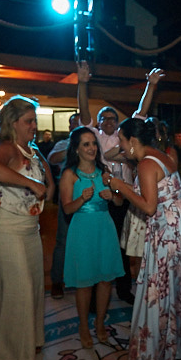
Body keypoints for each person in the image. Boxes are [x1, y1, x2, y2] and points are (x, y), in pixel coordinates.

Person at [107, 117, 181, 360]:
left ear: (133, 141)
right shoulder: (163, 155)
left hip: (168, 232)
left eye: (121, 140)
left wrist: (119, 186)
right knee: (180, 287)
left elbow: (148, 206)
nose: (120, 145)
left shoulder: (145, 164)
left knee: (159, 287)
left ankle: (160, 348)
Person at [0, 96, 54, 360]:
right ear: (13, 123)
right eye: (29, 121)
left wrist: (44, 181)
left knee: (30, 286)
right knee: (17, 288)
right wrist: (31, 184)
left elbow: (47, 183)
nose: (34, 125)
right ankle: (12, 352)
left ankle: (17, 340)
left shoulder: (32, 149)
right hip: (3, 226)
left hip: (28, 227)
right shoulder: (7, 147)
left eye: (34, 120)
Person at [59, 127, 124, 348]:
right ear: (76, 149)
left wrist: (112, 194)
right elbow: (67, 209)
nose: (92, 148)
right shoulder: (70, 174)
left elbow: (119, 203)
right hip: (82, 230)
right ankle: (84, 326)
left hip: (104, 227)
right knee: (84, 282)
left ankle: (99, 324)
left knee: (106, 279)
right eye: (86, 144)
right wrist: (82, 200)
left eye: (93, 144)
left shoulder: (104, 172)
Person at [77, 61, 135, 304]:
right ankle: (93, 298)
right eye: (105, 117)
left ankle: (123, 291)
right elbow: (83, 113)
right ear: (99, 121)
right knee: (98, 247)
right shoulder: (95, 139)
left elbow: (141, 113)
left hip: (124, 197)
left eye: (113, 118)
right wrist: (82, 83)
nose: (109, 121)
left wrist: (151, 86)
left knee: (122, 248)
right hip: (101, 197)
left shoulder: (125, 138)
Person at [119, 69, 166, 289]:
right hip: (137, 208)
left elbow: (141, 111)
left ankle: (147, 298)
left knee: (149, 261)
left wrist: (151, 85)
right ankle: (139, 295)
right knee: (135, 259)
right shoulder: (134, 151)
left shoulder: (148, 158)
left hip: (147, 207)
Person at [48, 112, 82, 299]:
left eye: (80, 123)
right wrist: (73, 146)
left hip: (88, 195)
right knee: (63, 240)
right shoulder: (64, 143)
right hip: (68, 195)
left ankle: (80, 279)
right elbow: (52, 159)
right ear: (70, 128)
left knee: (83, 240)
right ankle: (56, 282)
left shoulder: (91, 142)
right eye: (74, 124)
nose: (77, 126)